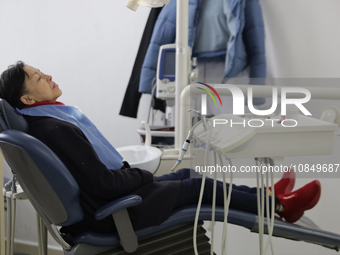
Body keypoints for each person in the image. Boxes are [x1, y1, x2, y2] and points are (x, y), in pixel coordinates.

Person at [0, 61, 321, 235]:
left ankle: (270, 199)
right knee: (195, 184)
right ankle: (281, 208)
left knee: (187, 173)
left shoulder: (44, 121)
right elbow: (103, 183)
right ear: (27, 99)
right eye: (39, 77)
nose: (49, 75)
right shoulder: (55, 128)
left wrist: (139, 177)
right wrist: (143, 176)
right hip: (116, 213)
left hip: (112, 202)